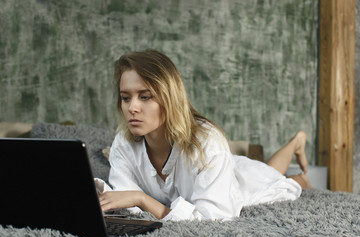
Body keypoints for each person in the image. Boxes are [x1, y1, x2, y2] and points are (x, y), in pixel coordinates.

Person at [96, 49, 311, 221]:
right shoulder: (123, 144)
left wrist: (141, 199)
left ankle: (296, 144)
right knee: (267, 170)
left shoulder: (208, 143)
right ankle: (294, 143)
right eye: (126, 98)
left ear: (170, 98)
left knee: (280, 182)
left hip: (234, 179)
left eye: (145, 97)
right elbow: (124, 201)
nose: (132, 108)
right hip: (218, 168)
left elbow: (213, 220)